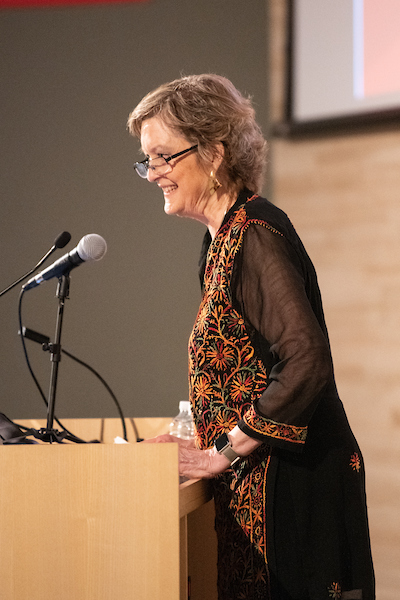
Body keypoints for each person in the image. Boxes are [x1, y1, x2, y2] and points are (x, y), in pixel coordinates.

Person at [127, 74, 375, 600]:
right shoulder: (222, 240)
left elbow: (306, 359)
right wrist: (200, 437)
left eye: (164, 157)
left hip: (294, 489)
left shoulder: (254, 233)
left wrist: (223, 450)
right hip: (262, 485)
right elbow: (244, 368)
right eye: (146, 160)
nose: (153, 174)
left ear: (214, 153)